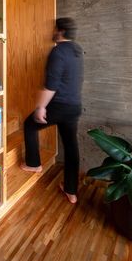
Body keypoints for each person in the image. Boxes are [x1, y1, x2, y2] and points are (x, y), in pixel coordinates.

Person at [21, 17, 84, 204]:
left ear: (61, 31)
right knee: (71, 147)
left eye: (55, 28)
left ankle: (34, 164)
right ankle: (71, 191)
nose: (53, 31)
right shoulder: (77, 51)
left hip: (59, 106)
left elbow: (51, 85)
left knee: (29, 125)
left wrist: (41, 107)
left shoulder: (58, 52)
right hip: (74, 107)